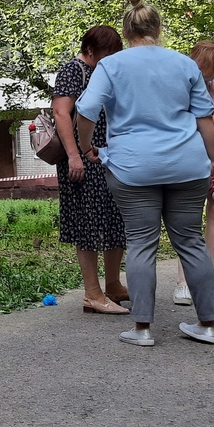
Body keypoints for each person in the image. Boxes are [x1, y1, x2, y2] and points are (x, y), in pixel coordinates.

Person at [75, 0, 214, 347]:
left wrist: (85, 147)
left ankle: (142, 329)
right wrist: (213, 160)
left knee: (141, 243)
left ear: (127, 33)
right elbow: (204, 117)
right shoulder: (184, 64)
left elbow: (85, 112)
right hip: (187, 165)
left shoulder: (112, 65)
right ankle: (207, 325)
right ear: (159, 28)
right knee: (190, 241)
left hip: (132, 167)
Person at [52, 25, 129, 314]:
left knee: (114, 218)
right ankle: (92, 293)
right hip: (82, 157)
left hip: (106, 155)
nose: (111, 59)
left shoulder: (105, 72)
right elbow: (60, 112)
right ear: (90, 51)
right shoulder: (74, 70)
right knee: (88, 223)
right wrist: (74, 156)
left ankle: (112, 285)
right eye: (107, 54)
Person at [172, 41, 214, 306]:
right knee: (188, 217)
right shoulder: (182, 81)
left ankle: (208, 279)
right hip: (192, 153)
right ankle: (183, 282)